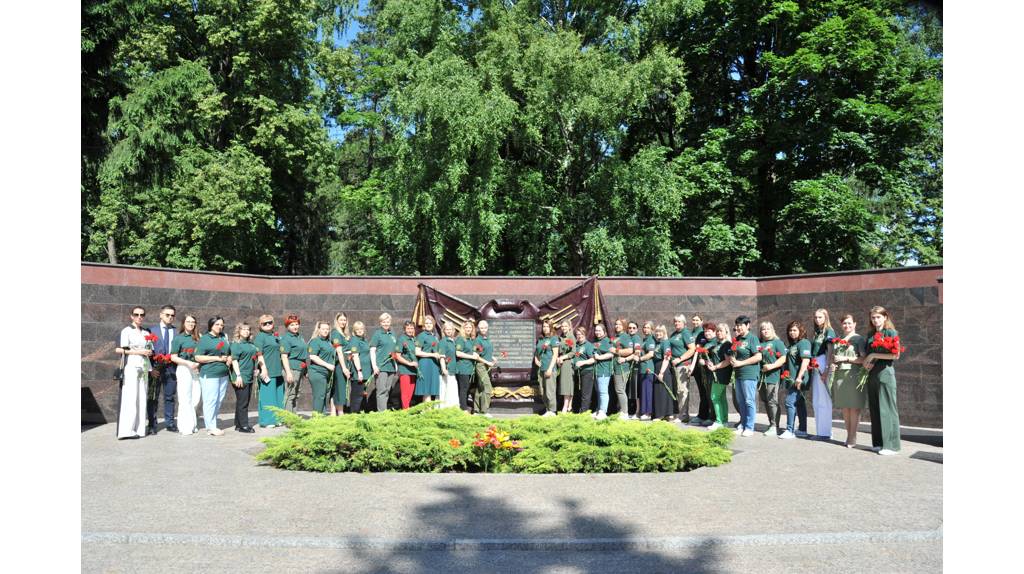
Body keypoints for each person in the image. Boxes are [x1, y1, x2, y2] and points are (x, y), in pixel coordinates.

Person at [863, 306, 904, 455]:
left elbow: (896, 355)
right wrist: (867, 363)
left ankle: (891, 445)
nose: (875, 320)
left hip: (886, 373)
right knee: (875, 409)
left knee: (887, 409)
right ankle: (879, 442)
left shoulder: (891, 333)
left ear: (885, 317)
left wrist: (873, 355)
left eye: (878, 317)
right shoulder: (870, 335)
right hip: (872, 374)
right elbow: (867, 355)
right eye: (873, 317)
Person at [828, 314, 867, 448]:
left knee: (854, 408)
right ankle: (848, 434)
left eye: (850, 323)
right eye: (844, 323)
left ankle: (853, 436)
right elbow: (834, 358)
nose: (847, 326)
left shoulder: (858, 339)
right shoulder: (838, 340)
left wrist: (845, 359)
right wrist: (833, 364)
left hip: (853, 375)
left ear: (855, 324)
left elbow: (864, 359)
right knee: (845, 407)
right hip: (840, 376)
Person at [115, 306, 153, 439]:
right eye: (136, 315)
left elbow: (149, 348)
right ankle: (126, 431)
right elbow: (119, 350)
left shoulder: (145, 332)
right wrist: (139, 351)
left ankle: (140, 428)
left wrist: (148, 351)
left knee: (142, 397)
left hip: (144, 366)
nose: (139, 317)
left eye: (142, 315)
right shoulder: (127, 331)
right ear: (131, 316)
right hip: (131, 366)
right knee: (130, 397)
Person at [194, 316, 232, 436]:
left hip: (223, 374)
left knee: (218, 400)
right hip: (210, 374)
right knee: (210, 400)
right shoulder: (205, 339)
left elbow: (228, 352)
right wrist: (217, 358)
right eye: (217, 324)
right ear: (211, 325)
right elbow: (198, 357)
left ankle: (212, 423)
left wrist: (229, 358)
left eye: (221, 325)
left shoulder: (224, 337)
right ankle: (210, 427)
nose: (220, 327)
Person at [729, 316, 762, 437]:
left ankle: (749, 427)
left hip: (749, 374)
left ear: (748, 325)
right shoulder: (736, 339)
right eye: (737, 325)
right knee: (741, 401)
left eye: (741, 325)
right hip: (738, 374)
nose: (738, 327)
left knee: (749, 401)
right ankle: (742, 424)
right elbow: (734, 353)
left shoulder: (753, 338)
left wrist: (740, 363)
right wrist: (732, 358)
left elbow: (758, 357)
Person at [779, 320, 813, 440]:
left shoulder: (804, 343)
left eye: (795, 330)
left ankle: (790, 430)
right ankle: (802, 429)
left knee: (789, 402)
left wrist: (799, 377)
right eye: (790, 330)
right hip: (791, 378)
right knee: (800, 403)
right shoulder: (792, 345)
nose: (792, 333)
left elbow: (806, 360)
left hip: (799, 379)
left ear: (800, 331)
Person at [170, 314, 202, 435]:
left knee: (195, 398)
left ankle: (192, 423)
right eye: (188, 321)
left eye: (193, 322)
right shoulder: (179, 338)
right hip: (184, 368)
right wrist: (187, 363)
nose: (191, 324)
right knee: (184, 398)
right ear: (184, 323)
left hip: (196, 369)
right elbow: (173, 357)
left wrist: (198, 364)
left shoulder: (199, 337)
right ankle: (185, 427)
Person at [148, 305, 178, 433]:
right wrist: (150, 369)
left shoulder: (177, 332)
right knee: (153, 397)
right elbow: (147, 351)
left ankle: (170, 423)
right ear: (161, 315)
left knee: (169, 397)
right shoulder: (151, 330)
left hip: (171, 368)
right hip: (155, 368)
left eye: (172, 315)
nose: (170, 317)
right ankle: (152, 424)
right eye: (167, 315)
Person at [254, 314, 287, 428]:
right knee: (268, 396)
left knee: (278, 396)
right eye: (265, 323)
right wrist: (263, 369)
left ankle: (278, 419)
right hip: (267, 371)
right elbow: (259, 354)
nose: (268, 325)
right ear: (260, 325)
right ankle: (267, 421)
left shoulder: (275, 336)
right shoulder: (260, 337)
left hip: (278, 371)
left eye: (270, 322)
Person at [810, 309, 837, 440]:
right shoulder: (817, 332)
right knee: (816, 400)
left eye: (820, 317)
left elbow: (831, 350)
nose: (817, 319)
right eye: (815, 317)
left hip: (823, 362)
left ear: (825, 317)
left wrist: (826, 369)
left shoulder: (829, 331)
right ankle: (820, 431)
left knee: (824, 400)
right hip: (816, 364)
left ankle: (826, 433)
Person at [702, 323, 734, 430]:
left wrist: (715, 367)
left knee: (714, 397)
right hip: (717, 373)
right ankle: (724, 420)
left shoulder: (727, 344)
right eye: (718, 331)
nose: (719, 333)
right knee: (721, 398)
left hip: (721, 374)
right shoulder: (718, 344)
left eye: (721, 331)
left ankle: (719, 421)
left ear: (726, 332)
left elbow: (728, 361)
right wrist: (708, 362)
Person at [758, 321, 787, 437]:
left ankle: (775, 426)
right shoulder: (760, 344)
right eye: (763, 329)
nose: (765, 331)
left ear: (772, 330)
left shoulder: (777, 342)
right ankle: (771, 423)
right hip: (761, 377)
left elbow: (783, 358)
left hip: (772, 376)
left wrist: (771, 366)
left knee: (772, 401)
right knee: (765, 400)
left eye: (768, 329)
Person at [229, 322, 258, 433]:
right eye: (243, 329)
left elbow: (252, 358)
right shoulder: (236, 344)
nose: (246, 331)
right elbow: (235, 360)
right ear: (239, 331)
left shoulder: (251, 344)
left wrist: (256, 369)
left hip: (249, 375)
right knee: (243, 402)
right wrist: (238, 376)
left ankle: (238, 424)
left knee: (242, 401)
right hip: (240, 377)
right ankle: (244, 426)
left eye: (248, 329)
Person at [690, 321, 718, 427]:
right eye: (705, 331)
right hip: (704, 373)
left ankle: (715, 417)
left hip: (712, 374)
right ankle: (709, 416)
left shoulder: (715, 342)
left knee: (713, 396)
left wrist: (705, 363)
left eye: (709, 331)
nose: (707, 333)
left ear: (715, 332)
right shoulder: (706, 342)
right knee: (707, 395)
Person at [306, 321, 338, 417]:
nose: (326, 331)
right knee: (319, 397)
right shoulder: (315, 341)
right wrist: (328, 365)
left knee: (323, 396)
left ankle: (321, 417)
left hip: (326, 374)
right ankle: (316, 419)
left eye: (327, 329)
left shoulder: (328, 342)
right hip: (317, 373)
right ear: (318, 329)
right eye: (323, 329)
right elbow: (313, 357)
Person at [668, 315, 696, 422]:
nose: (676, 323)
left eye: (679, 321)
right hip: (674, 366)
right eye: (675, 321)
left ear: (684, 322)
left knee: (682, 390)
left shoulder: (686, 333)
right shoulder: (674, 334)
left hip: (683, 365)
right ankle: (679, 413)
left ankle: (683, 415)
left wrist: (679, 359)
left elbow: (692, 349)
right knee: (677, 390)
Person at [369, 313, 399, 412]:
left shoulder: (392, 334)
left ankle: (384, 410)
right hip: (381, 367)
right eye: (384, 322)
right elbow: (372, 350)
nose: (386, 324)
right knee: (381, 391)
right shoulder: (377, 334)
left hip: (391, 367)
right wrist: (374, 366)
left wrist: (396, 366)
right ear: (380, 323)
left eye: (388, 322)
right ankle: (382, 413)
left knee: (387, 390)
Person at [280, 315, 308, 413]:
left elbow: (303, 355)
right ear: (287, 326)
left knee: (297, 394)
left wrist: (305, 371)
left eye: (296, 324)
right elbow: (284, 357)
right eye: (292, 325)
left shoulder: (299, 337)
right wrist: (288, 373)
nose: (295, 326)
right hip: (292, 369)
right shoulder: (286, 338)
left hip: (300, 369)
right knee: (290, 394)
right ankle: (288, 419)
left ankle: (293, 416)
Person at [653, 325, 679, 421]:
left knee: (663, 391)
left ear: (664, 333)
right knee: (662, 391)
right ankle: (668, 414)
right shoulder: (658, 343)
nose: (658, 333)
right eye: (657, 332)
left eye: (660, 332)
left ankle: (662, 414)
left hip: (663, 367)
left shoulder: (665, 342)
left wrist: (661, 372)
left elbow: (667, 358)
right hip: (657, 366)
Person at [414, 316, 443, 401]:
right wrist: (432, 355)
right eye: (426, 323)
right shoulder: (421, 336)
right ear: (424, 325)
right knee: (426, 389)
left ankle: (430, 410)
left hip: (434, 365)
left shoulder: (434, 336)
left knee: (432, 388)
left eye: (430, 323)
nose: (428, 325)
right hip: (425, 363)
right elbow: (417, 352)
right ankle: (427, 411)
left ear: (433, 324)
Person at [534, 320, 559, 416]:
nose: (545, 328)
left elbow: (555, 354)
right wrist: (536, 359)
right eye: (544, 326)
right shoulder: (541, 339)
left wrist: (550, 369)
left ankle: (552, 411)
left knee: (550, 392)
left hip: (550, 369)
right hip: (541, 369)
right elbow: (537, 351)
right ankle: (547, 410)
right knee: (543, 391)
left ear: (551, 327)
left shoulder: (554, 338)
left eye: (547, 326)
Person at [346, 321, 372, 413]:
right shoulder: (354, 340)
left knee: (362, 396)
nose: (360, 331)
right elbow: (355, 356)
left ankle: (361, 413)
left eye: (361, 329)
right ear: (354, 331)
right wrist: (359, 371)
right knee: (357, 397)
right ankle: (353, 415)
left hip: (366, 372)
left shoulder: (364, 339)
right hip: (359, 373)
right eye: (357, 329)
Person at [611, 318, 634, 419]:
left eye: (619, 324)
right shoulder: (616, 337)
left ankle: (625, 412)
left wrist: (616, 351)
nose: (617, 326)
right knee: (619, 390)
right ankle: (621, 410)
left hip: (622, 368)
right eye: (616, 324)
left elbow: (630, 350)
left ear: (624, 326)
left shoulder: (625, 337)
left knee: (620, 389)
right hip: (615, 367)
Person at [590, 323, 614, 420]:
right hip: (596, 370)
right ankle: (598, 410)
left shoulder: (607, 341)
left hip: (604, 370)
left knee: (603, 392)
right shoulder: (595, 341)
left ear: (604, 331)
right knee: (598, 391)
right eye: (596, 330)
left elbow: (611, 353)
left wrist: (599, 357)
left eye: (599, 330)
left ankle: (603, 412)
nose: (597, 332)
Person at [472, 320, 496, 416]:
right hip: (481, 366)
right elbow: (476, 355)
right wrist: (487, 362)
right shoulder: (478, 340)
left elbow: (486, 352)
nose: (483, 329)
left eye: (485, 327)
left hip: (487, 366)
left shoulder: (487, 339)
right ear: (478, 328)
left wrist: (492, 358)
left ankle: (477, 410)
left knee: (480, 388)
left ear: (487, 328)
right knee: (487, 387)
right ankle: (484, 411)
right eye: (481, 328)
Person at [330, 313, 352, 416]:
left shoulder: (344, 334)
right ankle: (340, 411)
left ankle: (334, 412)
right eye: (341, 320)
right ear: (337, 321)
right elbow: (339, 351)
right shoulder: (335, 333)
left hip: (345, 363)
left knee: (338, 388)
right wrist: (344, 368)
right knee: (340, 388)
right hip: (339, 364)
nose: (343, 322)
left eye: (344, 320)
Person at [395, 321, 419, 409]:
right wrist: (409, 363)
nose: (410, 330)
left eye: (412, 328)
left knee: (410, 392)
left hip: (413, 371)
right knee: (405, 393)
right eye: (408, 328)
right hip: (405, 369)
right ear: (404, 329)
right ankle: (405, 411)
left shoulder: (414, 339)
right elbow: (398, 356)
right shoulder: (401, 339)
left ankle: (406, 409)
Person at [453, 321, 477, 412]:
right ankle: (463, 409)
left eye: (470, 328)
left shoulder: (471, 340)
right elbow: (458, 353)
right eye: (466, 327)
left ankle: (464, 406)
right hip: (462, 368)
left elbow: (474, 352)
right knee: (463, 389)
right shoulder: (460, 339)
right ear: (463, 328)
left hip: (470, 369)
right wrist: (471, 357)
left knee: (467, 389)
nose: (468, 329)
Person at [688, 314, 707, 425]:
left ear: (701, 321)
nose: (695, 322)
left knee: (705, 391)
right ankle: (703, 414)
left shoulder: (702, 333)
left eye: (697, 320)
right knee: (702, 391)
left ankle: (704, 415)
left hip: (703, 365)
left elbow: (698, 350)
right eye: (693, 320)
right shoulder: (691, 333)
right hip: (695, 366)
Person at [572, 326, 596, 414]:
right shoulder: (577, 345)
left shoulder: (588, 345)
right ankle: (578, 411)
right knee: (579, 393)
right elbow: (576, 356)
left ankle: (583, 413)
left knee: (586, 394)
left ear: (584, 334)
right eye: (577, 334)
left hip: (587, 372)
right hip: (578, 373)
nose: (579, 336)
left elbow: (593, 359)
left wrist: (583, 363)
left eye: (581, 334)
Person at [637, 322, 657, 420]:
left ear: (652, 329)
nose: (645, 329)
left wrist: (640, 359)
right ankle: (643, 411)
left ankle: (648, 413)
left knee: (647, 391)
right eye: (644, 327)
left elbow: (651, 354)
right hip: (642, 369)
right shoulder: (644, 339)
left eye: (648, 328)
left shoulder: (650, 339)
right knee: (643, 391)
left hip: (648, 368)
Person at [438, 322, 460, 408]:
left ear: (453, 330)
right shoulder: (443, 342)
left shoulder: (453, 341)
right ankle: (445, 408)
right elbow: (442, 357)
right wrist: (444, 369)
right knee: (446, 390)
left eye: (450, 329)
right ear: (444, 330)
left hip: (453, 370)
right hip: (447, 370)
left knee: (452, 390)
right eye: (447, 329)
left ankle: (452, 408)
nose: (449, 331)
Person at [556, 320, 576, 413]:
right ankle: (569, 406)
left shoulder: (570, 337)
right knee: (565, 384)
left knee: (566, 385)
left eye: (565, 326)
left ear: (569, 327)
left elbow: (572, 352)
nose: (563, 328)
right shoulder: (561, 337)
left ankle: (565, 406)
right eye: (562, 326)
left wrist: (563, 357)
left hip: (567, 363)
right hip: (562, 363)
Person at [627, 321, 643, 418]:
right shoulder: (627, 337)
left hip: (635, 367)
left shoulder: (636, 338)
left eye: (633, 328)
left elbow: (637, 352)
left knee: (635, 391)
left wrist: (628, 358)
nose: (631, 329)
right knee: (630, 390)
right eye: (630, 328)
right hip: (627, 367)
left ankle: (637, 411)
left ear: (636, 330)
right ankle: (630, 410)